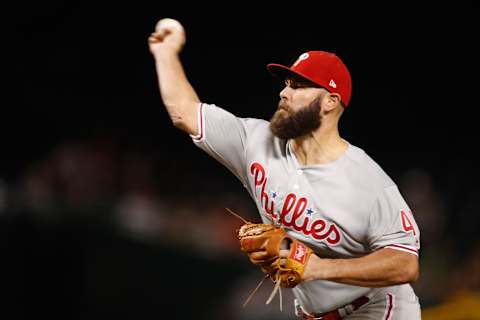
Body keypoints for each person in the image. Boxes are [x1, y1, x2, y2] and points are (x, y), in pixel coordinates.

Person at [148, 18, 422, 319]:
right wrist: (165, 53)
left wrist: (317, 267)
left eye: (299, 86)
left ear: (330, 102)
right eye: (286, 84)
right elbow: (183, 113)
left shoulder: (366, 181)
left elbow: (404, 264)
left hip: (378, 309)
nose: (284, 93)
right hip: (313, 314)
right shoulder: (256, 142)